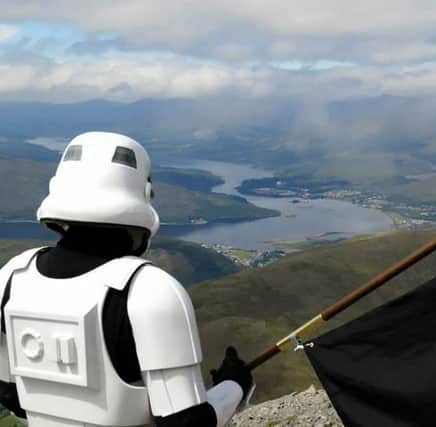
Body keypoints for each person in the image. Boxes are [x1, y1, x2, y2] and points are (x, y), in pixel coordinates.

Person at [0, 132, 252, 426]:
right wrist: (234, 385)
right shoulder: (147, 290)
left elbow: (12, 396)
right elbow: (187, 422)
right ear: (143, 197)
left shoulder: (12, 277)